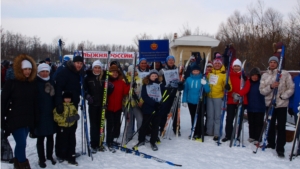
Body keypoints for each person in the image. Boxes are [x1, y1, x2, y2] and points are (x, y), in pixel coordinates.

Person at [1, 54, 38, 168]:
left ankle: (18, 164)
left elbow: (34, 103)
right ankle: (23, 165)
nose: (27, 72)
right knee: (21, 143)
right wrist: (2, 120)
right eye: (25, 69)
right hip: (15, 118)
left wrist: (35, 120)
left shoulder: (32, 83)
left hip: (28, 119)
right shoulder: (11, 83)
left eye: (29, 69)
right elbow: (3, 102)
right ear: (19, 69)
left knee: (21, 144)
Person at [259, 56, 294, 157]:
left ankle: (280, 148)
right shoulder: (265, 75)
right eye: (271, 62)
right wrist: (271, 86)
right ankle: (271, 143)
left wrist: (283, 96)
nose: (273, 64)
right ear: (269, 63)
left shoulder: (285, 74)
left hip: (281, 104)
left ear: (278, 63)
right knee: (270, 124)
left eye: (275, 62)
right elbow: (261, 90)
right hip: (269, 104)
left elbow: (291, 88)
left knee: (281, 126)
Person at [84, 60, 112, 153]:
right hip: (93, 105)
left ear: (101, 68)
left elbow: (108, 92)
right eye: (95, 67)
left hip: (102, 105)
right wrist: (87, 96)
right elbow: (84, 90)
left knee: (101, 125)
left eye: (99, 68)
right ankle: (94, 143)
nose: (97, 69)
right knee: (94, 125)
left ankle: (100, 142)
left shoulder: (105, 77)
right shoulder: (88, 77)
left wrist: (111, 87)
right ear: (93, 68)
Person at [135, 70, 164, 151]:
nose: (154, 77)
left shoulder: (161, 85)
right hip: (148, 108)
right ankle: (141, 140)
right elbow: (144, 96)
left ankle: (153, 141)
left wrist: (159, 104)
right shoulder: (146, 85)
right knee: (144, 125)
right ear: (149, 77)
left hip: (158, 109)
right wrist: (153, 103)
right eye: (153, 76)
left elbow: (165, 93)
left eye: (156, 76)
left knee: (155, 126)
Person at [222, 59, 250, 142]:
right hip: (231, 100)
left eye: (238, 66)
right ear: (232, 67)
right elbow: (226, 87)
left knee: (239, 119)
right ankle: (228, 135)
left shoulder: (244, 76)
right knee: (229, 118)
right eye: (235, 66)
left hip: (241, 100)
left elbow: (247, 87)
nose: (237, 67)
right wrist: (232, 94)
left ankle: (237, 135)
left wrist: (239, 94)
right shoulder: (229, 75)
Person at [35, 63, 57, 168]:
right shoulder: (35, 82)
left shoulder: (52, 81)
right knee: (40, 138)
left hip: (50, 113)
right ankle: (41, 158)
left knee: (50, 137)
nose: (44, 73)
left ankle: (49, 156)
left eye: (46, 71)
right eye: (42, 71)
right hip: (39, 114)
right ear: (38, 72)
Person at [182, 65, 210, 140]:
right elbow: (186, 90)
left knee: (200, 117)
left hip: (200, 102)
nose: (195, 72)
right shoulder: (188, 79)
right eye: (194, 71)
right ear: (192, 71)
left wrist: (205, 84)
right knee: (193, 117)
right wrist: (184, 100)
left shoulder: (203, 79)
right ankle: (194, 131)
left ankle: (199, 132)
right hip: (190, 101)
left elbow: (207, 90)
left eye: (197, 71)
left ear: (199, 72)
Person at [206, 58, 231, 141]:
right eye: (215, 63)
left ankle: (217, 133)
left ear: (221, 65)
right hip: (209, 96)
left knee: (217, 116)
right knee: (210, 115)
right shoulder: (210, 74)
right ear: (213, 64)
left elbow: (229, 86)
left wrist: (227, 87)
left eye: (218, 63)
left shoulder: (224, 74)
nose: (217, 65)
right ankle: (209, 131)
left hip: (218, 97)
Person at [106, 65, 130, 150]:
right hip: (109, 108)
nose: (115, 74)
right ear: (110, 73)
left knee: (117, 124)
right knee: (110, 125)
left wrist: (130, 85)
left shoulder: (121, 82)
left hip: (118, 107)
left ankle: (113, 139)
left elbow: (125, 92)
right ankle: (109, 141)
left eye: (116, 72)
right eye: (113, 72)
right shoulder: (107, 82)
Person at [53, 91, 80, 165]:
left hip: (70, 127)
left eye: (69, 98)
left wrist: (76, 117)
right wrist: (65, 120)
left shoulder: (72, 106)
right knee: (62, 142)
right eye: (66, 98)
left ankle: (71, 155)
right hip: (63, 127)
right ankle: (61, 155)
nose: (67, 100)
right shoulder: (60, 106)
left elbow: (75, 113)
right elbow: (56, 117)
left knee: (72, 142)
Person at [158, 56, 182, 136]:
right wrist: (163, 86)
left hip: (175, 92)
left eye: (172, 60)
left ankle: (176, 128)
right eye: (169, 60)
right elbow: (158, 80)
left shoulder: (178, 69)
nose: (171, 61)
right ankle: (162, 128)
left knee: (175, 111)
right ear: (167, 61)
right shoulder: (162, 70)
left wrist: (180, 84)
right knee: (164, 111)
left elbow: (181, 80)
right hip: (166, 93)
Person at [247, 68, 266, 144]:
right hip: (250, 106)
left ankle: (258, 137)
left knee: (259, 123)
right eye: (253, 76)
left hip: (260, 106)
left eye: (256, 76)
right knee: (251, 122)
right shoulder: (249, 83)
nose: (254, 77)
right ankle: (252, 136)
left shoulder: (261, 83)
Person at [288, 73, 300, 155]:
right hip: (297, 108)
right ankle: (299, 148)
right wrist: (291, 106)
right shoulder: (296, 79)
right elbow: (292, 94)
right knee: (298, 130)